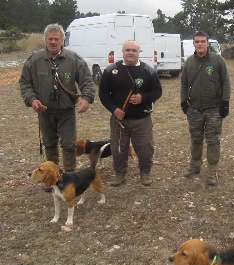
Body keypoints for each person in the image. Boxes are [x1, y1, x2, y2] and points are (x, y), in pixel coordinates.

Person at [20, 23, 95, 173]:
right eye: (50, 39)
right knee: (49, 144)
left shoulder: (73, 59)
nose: (53, 42)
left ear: (62, 40)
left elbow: (87, 81)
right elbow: (25, 83)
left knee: (68, 145)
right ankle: (53, 177)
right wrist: (32, 100)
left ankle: (69, 178)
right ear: (45, 40)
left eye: (56, 39)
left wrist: (86, 98)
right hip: (45, 112)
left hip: (66, 111)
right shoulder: (34, 60)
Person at [99, 40, 162, 187]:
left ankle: (145, 174)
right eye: (128, 50)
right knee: (118, 150)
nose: (131, 53)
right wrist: (114, 109)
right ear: (122, 52)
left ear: (139, 52)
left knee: (146, 149)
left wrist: (143, 98)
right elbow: (103, 94)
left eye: (134, 50)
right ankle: (120, 175)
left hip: (142, 119)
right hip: (118, 120)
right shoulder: (111, 70)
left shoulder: (148, 71)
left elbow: (157, 91)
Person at [180, 31, 230, 186]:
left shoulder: (218, 60)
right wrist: (184, 102)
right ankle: (195, 167)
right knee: (195, 139)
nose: (200, 44)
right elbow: (184, 83)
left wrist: (225, 103)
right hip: (194, 108)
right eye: (197, 41)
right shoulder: (189, 62)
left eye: (203, 41)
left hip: (213, 108)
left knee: (213, 140)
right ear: (193, 44)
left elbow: (226, 82)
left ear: (208, 43)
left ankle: (212, 173)